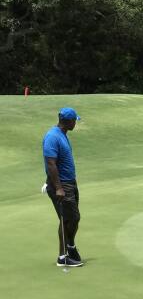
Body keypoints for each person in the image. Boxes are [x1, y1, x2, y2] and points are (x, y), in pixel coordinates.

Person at [43, 107, 84, 267]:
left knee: (73, 218)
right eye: (74, 120)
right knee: (69, 218)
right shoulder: (52, 137)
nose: (75, 123)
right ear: (67, 121)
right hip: (61, 185)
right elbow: (50, 163)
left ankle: (70, 246)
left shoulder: (62, 135)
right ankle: (62, 257)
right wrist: (58, 187)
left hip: (69, 183)